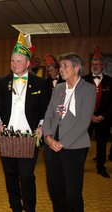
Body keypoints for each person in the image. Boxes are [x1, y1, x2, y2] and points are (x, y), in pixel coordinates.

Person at [0, 32, 51, 212]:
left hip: (29, 138)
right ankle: (15, 208)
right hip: (7, 137)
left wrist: (42, 126)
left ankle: (29, 208)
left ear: (28, 63)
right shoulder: (2, 83)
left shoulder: (41, 83)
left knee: (27, 176)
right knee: (10, 175)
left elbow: (46, 111)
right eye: (12, 61)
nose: (14, 64)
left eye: (19, 61)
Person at [43, 52, 96, 212]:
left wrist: (62, 143)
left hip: (74, 148)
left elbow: (83, 122)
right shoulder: (58, 88)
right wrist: (48, 137)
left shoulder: (88, 89)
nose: (61, 69)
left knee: (72, 193)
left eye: (65, 66)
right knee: (55, 191)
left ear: (77, 67)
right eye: (60, 66)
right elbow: (49, 115)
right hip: (52, 146)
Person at [83, 46, 112, 178]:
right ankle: (79, 166)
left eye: (98, 64)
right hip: (86, 119)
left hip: (103, 119)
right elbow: (79, 101)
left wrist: (103, 116)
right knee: (83, 144)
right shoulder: (83, 80)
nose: (95, 66)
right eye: (93, 64)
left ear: (103, 65)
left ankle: (101, 167)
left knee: (101, 144)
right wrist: (89, 115)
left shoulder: (110, 81)